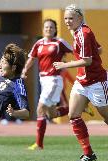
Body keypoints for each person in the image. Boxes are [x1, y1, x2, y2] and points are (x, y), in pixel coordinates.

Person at [53, 4, 108, 161]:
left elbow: (88, 60)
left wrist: (64, 65)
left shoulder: (83, 33)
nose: (67, 21)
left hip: (98, 82)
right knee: (73, 115)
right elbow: (100, 49)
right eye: (66, 18)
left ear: (80, 18)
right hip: (83, 81)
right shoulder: (78, 31)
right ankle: (88, 153)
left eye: (71, 18)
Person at [22, 19, 73, 150]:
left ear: (55, 29)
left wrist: (79, 64)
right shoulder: (38, 43)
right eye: (46, 27)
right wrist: (24, 70)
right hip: (43, 80)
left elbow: (76, 51)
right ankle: (76, 107)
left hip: (54, 80)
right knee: (51, 114)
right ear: (43, 29)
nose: (48, 29)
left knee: (40, 109)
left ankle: (39, 144)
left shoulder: (59, 42)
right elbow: (32, 58)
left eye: (51, 27)